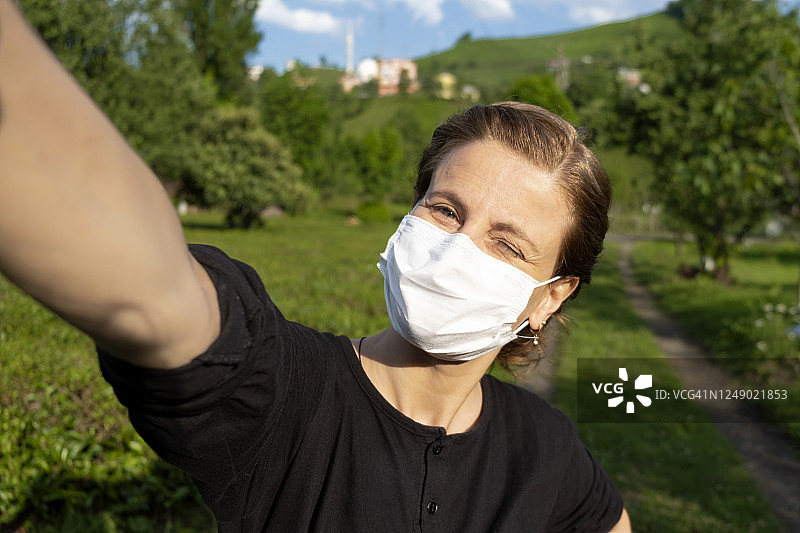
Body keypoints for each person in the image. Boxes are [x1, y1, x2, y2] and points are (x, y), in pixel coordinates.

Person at [0, 2, 631, 531]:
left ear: (550, 296)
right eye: (444, 210)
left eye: (508, 245)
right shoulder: (282, 393)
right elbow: (146, 291)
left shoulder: (546, 450)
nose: (458, 249)